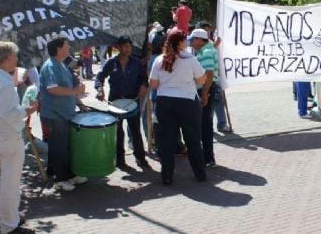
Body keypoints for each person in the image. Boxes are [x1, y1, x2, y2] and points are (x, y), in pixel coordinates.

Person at [0, 41, 38, 234]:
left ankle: (11, 218)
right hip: (7, 137)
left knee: (9, 182)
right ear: (8, 58)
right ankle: (9, 225)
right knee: (10, 185)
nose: (17, 59)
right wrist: (28, 110)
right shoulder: (2, 83)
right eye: (15, 56)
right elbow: (10, 114)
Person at [149, 30, 207, 186]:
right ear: (181, 43)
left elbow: (153, 84)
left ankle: (167, 176)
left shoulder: (159, 59)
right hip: (187, 101)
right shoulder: (190, 59)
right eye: (185, 41)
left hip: (165, 101)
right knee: (193, 139)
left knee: (167, 141)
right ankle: (200, 173)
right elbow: (201, 80)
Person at [39, 37, 87, 192]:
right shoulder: (50, 66)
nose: (69, 47)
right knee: (59, 147)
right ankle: (60, 179)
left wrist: (79, 102)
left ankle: (68, 174)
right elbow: (52, 89)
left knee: (65, 146)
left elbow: (69, 87)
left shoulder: (61, 65)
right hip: (55, 115)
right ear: (59, 48)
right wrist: (75, 91)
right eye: (67, 45)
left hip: (65, 114)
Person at [96, 35, 151, 169]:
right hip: (115, 100)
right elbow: (100, 76)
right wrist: (100, 89)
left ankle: (140, 158)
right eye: (125, 46)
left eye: (130, 46)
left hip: (132, 100)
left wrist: (143, 86)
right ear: (118, 47)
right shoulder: (112, 62)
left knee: (135, 131)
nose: (128, 49)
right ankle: (120, 160)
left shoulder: (136, 62)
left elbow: (144, 78)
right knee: (118, 132)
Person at [189, 28, 219, 168]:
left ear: (200, 40)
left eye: (193, 40)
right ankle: (207, 157)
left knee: (205, 125)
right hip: (206, 89)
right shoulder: (207, 50)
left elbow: (209, 74)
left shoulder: (206, 52)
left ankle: (208, 158)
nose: (191, 42)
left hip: (206, 89)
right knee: (204, 124)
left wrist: (204, 94)